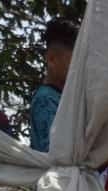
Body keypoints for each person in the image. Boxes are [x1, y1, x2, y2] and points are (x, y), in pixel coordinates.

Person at [29, 18, 77, 153]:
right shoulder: (46, 99)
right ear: (52, 60)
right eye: (73, 63)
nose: (78, 69)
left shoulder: (60, 97)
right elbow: (56, 153)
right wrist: (106, 159)